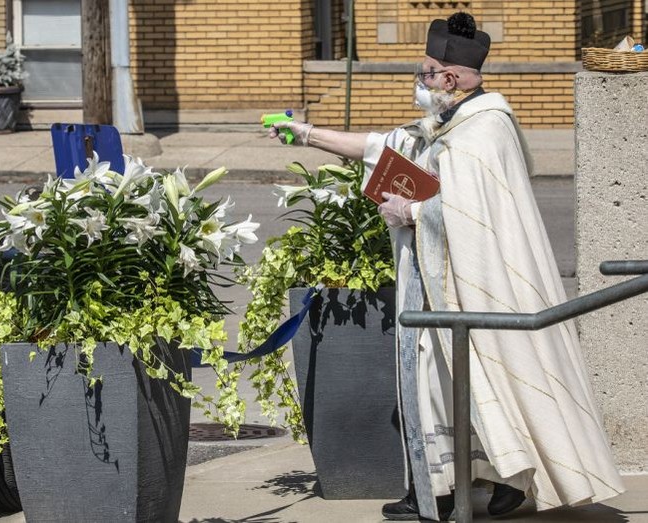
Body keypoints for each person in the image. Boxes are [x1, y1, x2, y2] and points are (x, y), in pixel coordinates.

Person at [268, 12, 625, 522]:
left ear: (451, 79)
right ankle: (448, 484)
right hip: (441, 284)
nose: (419, 82)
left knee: (482, 380)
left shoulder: (483, 132)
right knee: (443, 384)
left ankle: (501, 481)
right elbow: (380, 145)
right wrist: (303, 133)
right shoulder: (449, 121)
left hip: (480, 286)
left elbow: (472, 211)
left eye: (425, 72)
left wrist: (408, 211)